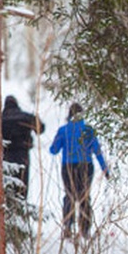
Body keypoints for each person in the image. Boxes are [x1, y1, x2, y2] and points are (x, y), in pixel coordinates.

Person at [49, 102, 110, 239]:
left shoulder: (63, 130)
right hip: (86, 166)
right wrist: (105, 169)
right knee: (84, 197)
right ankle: (85, 229)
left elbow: (53, 150)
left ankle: (67, 227)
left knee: (69, 196)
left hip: (68, 166)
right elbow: (97, 151)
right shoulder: (88, 130)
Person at [1, 95, 45, 200]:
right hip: (23, 153)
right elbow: (41, 128)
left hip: (6, 155)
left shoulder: (0, 119)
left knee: (7, 183)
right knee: (23, 183)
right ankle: (22, 203)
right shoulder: (25, 117)